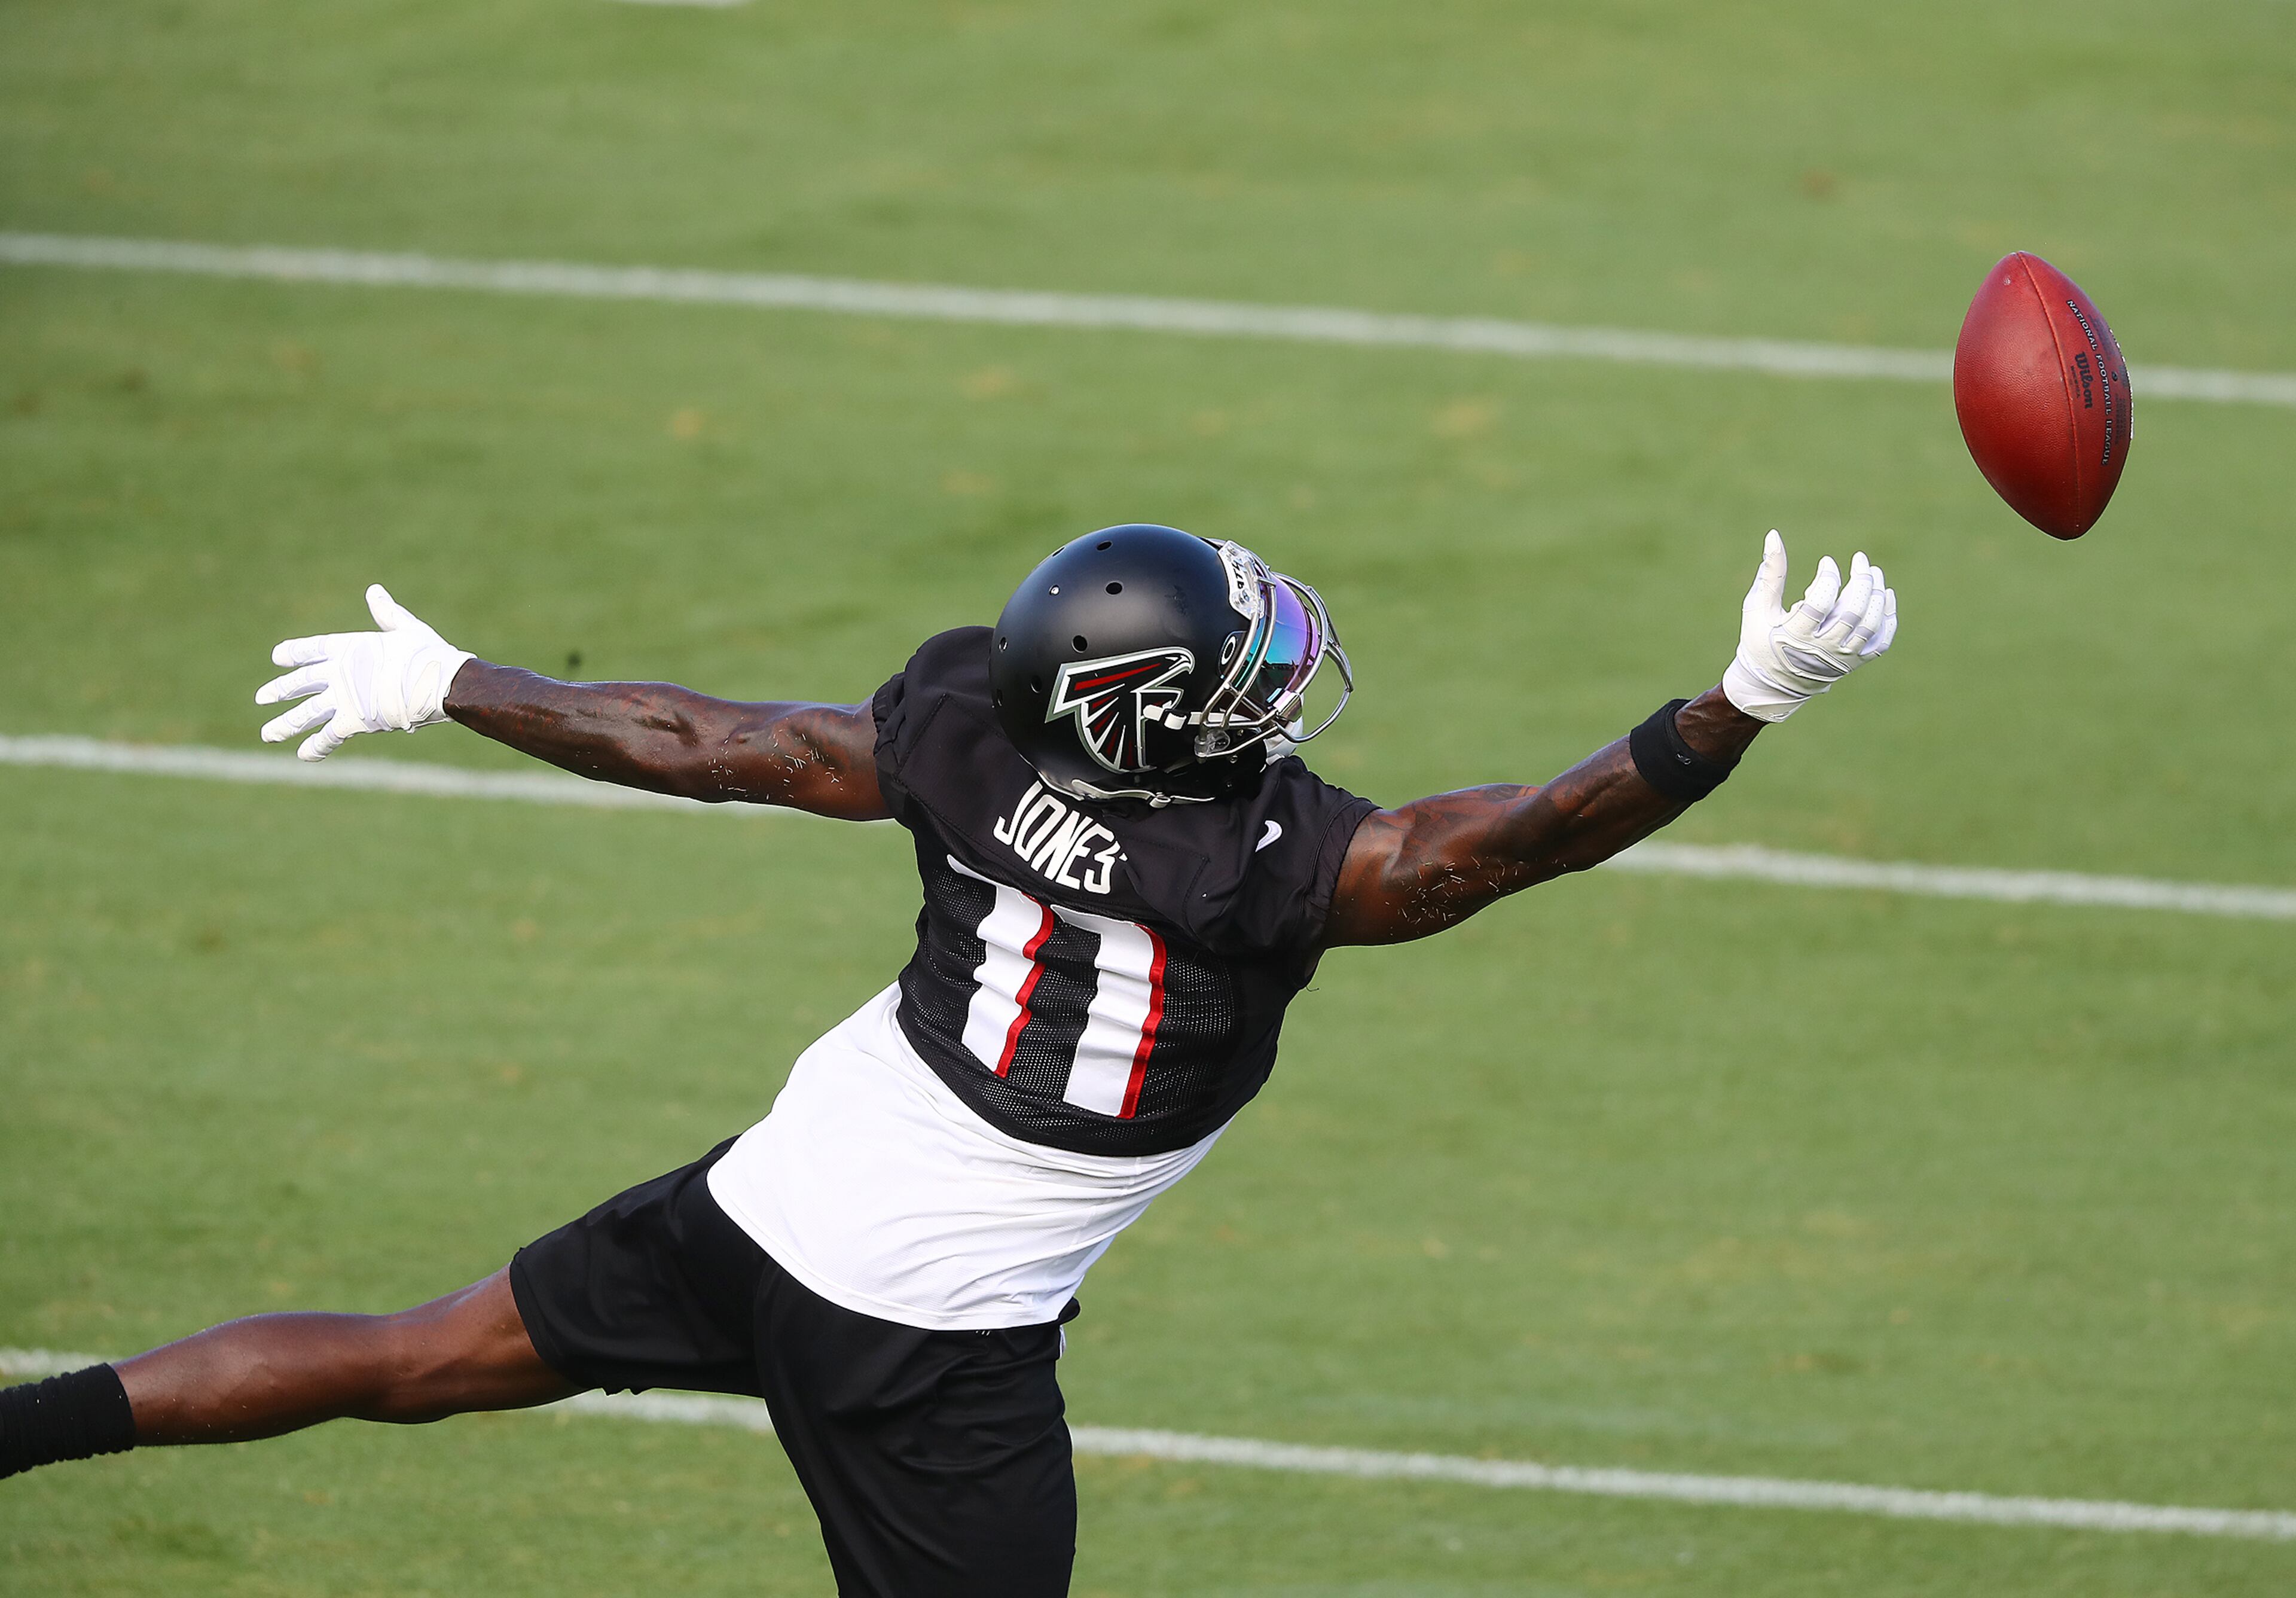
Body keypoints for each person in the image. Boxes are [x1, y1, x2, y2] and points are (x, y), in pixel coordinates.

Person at [1, 524, 1894, 1594]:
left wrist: (460, 680)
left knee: (417, 1355)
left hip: (780, 1195)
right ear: (1149, 720)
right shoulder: (1268, 871)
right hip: (934, 1324)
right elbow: (1519, 840)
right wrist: (1735, 709)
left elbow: (707, 741)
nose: (1273, 691)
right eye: (1235, 676)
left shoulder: (962, 744)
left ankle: (24, 1428)